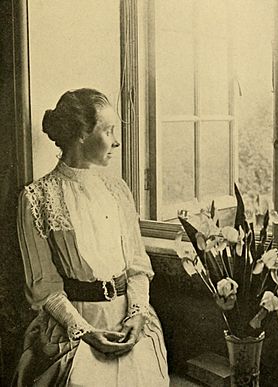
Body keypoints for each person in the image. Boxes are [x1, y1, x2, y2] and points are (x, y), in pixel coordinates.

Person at [14, 88, 169, 386]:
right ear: (82, 133)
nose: (117, 141)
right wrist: (85, 332)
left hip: (129, 325)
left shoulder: (118, 190)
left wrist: (137, 316)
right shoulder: (36, 198)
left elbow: (136, 266)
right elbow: (43, 286)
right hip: (73, 326)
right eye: (108, 130)